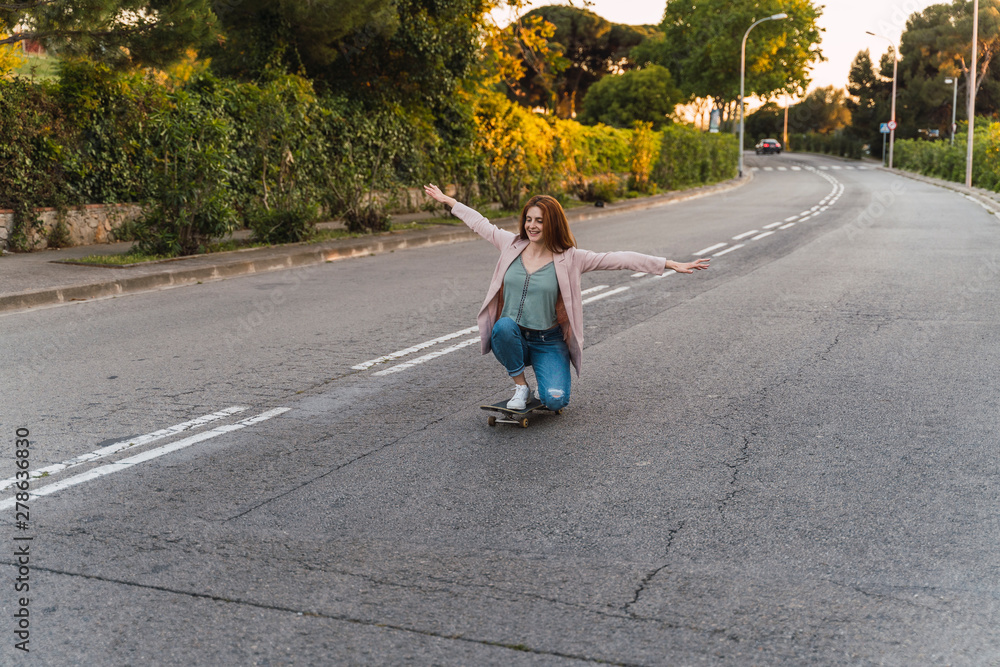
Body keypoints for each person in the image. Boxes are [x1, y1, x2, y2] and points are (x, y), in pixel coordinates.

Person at [423, 184, 710, 411]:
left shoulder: (570, 258)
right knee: (502, 327)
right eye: (529, 220)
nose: (532, 226)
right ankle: (521, 386)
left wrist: (670, 263)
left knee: (556, 400)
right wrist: (450, 201)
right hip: (514, 336)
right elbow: (480, 223)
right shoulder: (510, 245)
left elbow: (620, 258)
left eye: (540, 221)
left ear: (553, 224)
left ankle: (546, 381)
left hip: (549, 341)